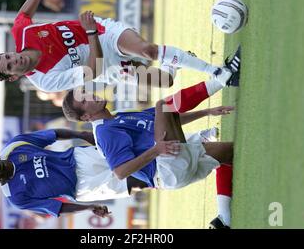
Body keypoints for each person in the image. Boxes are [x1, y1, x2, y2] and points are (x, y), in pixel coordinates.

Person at [0, 0, 240, 93]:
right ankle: (176, 60)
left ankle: (217, 72)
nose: (14, 59)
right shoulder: (45, 81)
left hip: (102, 32)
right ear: (12, 77)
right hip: (102, 63)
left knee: (147, 50)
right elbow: (92, 72)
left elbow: (23, 16)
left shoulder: (23, 34)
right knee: (164, 81)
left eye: (8, 56)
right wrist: (89, 34)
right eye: (9, 66)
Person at [61, 77, 236, 191]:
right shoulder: (105, 132)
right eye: (84, 100)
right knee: (163, 104)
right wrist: (156, 150)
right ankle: (223, 77)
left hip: (173, 162)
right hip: (165, 169)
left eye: (86, 92)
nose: (91, 96)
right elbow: (120, 172)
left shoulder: (117, 116)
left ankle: (224, 217)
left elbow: (169, 119)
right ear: (85, 116)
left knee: (231, 152)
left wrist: (207, 112)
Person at [0, 128, 147, 218]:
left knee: (129, 153)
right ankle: (161, 177)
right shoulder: (16, 198)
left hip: (80, 157)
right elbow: (57, 208)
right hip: (83, 188)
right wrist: (89, 207)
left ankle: (163, 146)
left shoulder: (15, 146)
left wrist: (82, 134)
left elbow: (53, 134)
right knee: (138, 183)